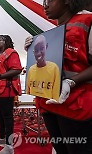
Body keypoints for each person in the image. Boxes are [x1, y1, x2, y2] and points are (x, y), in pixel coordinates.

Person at [24, 0, 92, 154]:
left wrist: (71, 82)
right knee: (61, 149)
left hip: (76, 109)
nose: (45, 5)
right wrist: (31, 51)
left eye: (50, 0)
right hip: (49, 106)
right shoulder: (52, 33)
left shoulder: (87, 22)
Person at [0, 35, 22, 154]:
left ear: (6, 41)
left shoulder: (11, 53)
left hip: (6, 90)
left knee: (7, 117)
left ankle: (9, 146)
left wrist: (0, 76)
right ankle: (2, 138)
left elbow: (17, 70)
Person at [26, 34, 60, 101]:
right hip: (37, 104)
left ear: (46, 47)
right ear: (33, 52)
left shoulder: (54, 68)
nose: (39, 53)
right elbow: (28, 91)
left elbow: (56, 95)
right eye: (36, 50)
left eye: (41, 48)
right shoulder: (31, 69)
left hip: (49, 106)